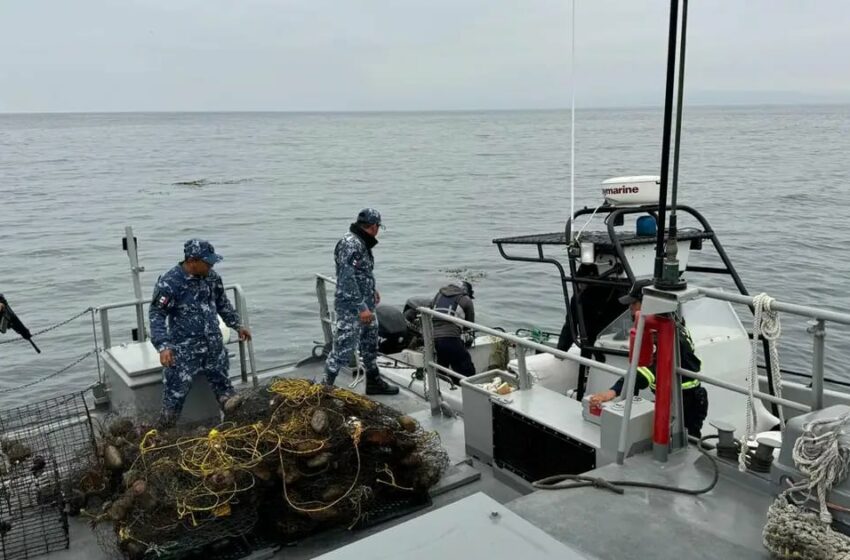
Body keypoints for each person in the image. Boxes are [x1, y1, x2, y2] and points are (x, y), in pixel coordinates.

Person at [149, 239, 252, 427]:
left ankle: (236, 426)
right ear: (192, 261)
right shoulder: (170, 283)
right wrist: (163, 346)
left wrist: (238, 325)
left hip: (213, 348)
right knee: (174, 399)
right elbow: (157, 314)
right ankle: (162, 436)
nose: (211, 266)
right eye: (208, 262)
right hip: (184, 352)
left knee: (226, 391)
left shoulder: (212, 278)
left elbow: (222, 304)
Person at [588, 279, 709, 437]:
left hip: (685, 401)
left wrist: (612, 393)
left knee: (685, 441)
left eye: (634, 303)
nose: (630, 307)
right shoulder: (674, 323)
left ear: (647, 304)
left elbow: (645, 372)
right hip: (678, 395)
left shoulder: (663, 335)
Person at [323, 208, 399, 395]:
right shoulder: (351, 244)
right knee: (343, 349)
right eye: (378, 227)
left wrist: (372, 290)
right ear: (373, 227)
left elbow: (361, 273)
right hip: (352, 308)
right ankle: (325, 389)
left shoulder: (361, 243)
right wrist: (361, 307)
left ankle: (373, 382)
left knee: (369, 344)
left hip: (366, 305)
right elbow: (346, 279)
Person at [431, 280, 476, 377]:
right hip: (450, 338)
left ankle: (440, 386)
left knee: (442, 364)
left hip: (434, 338)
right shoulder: (466, 299)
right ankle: (464, 388)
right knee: (466, 368)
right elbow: (469, 325)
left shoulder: (438, 295)